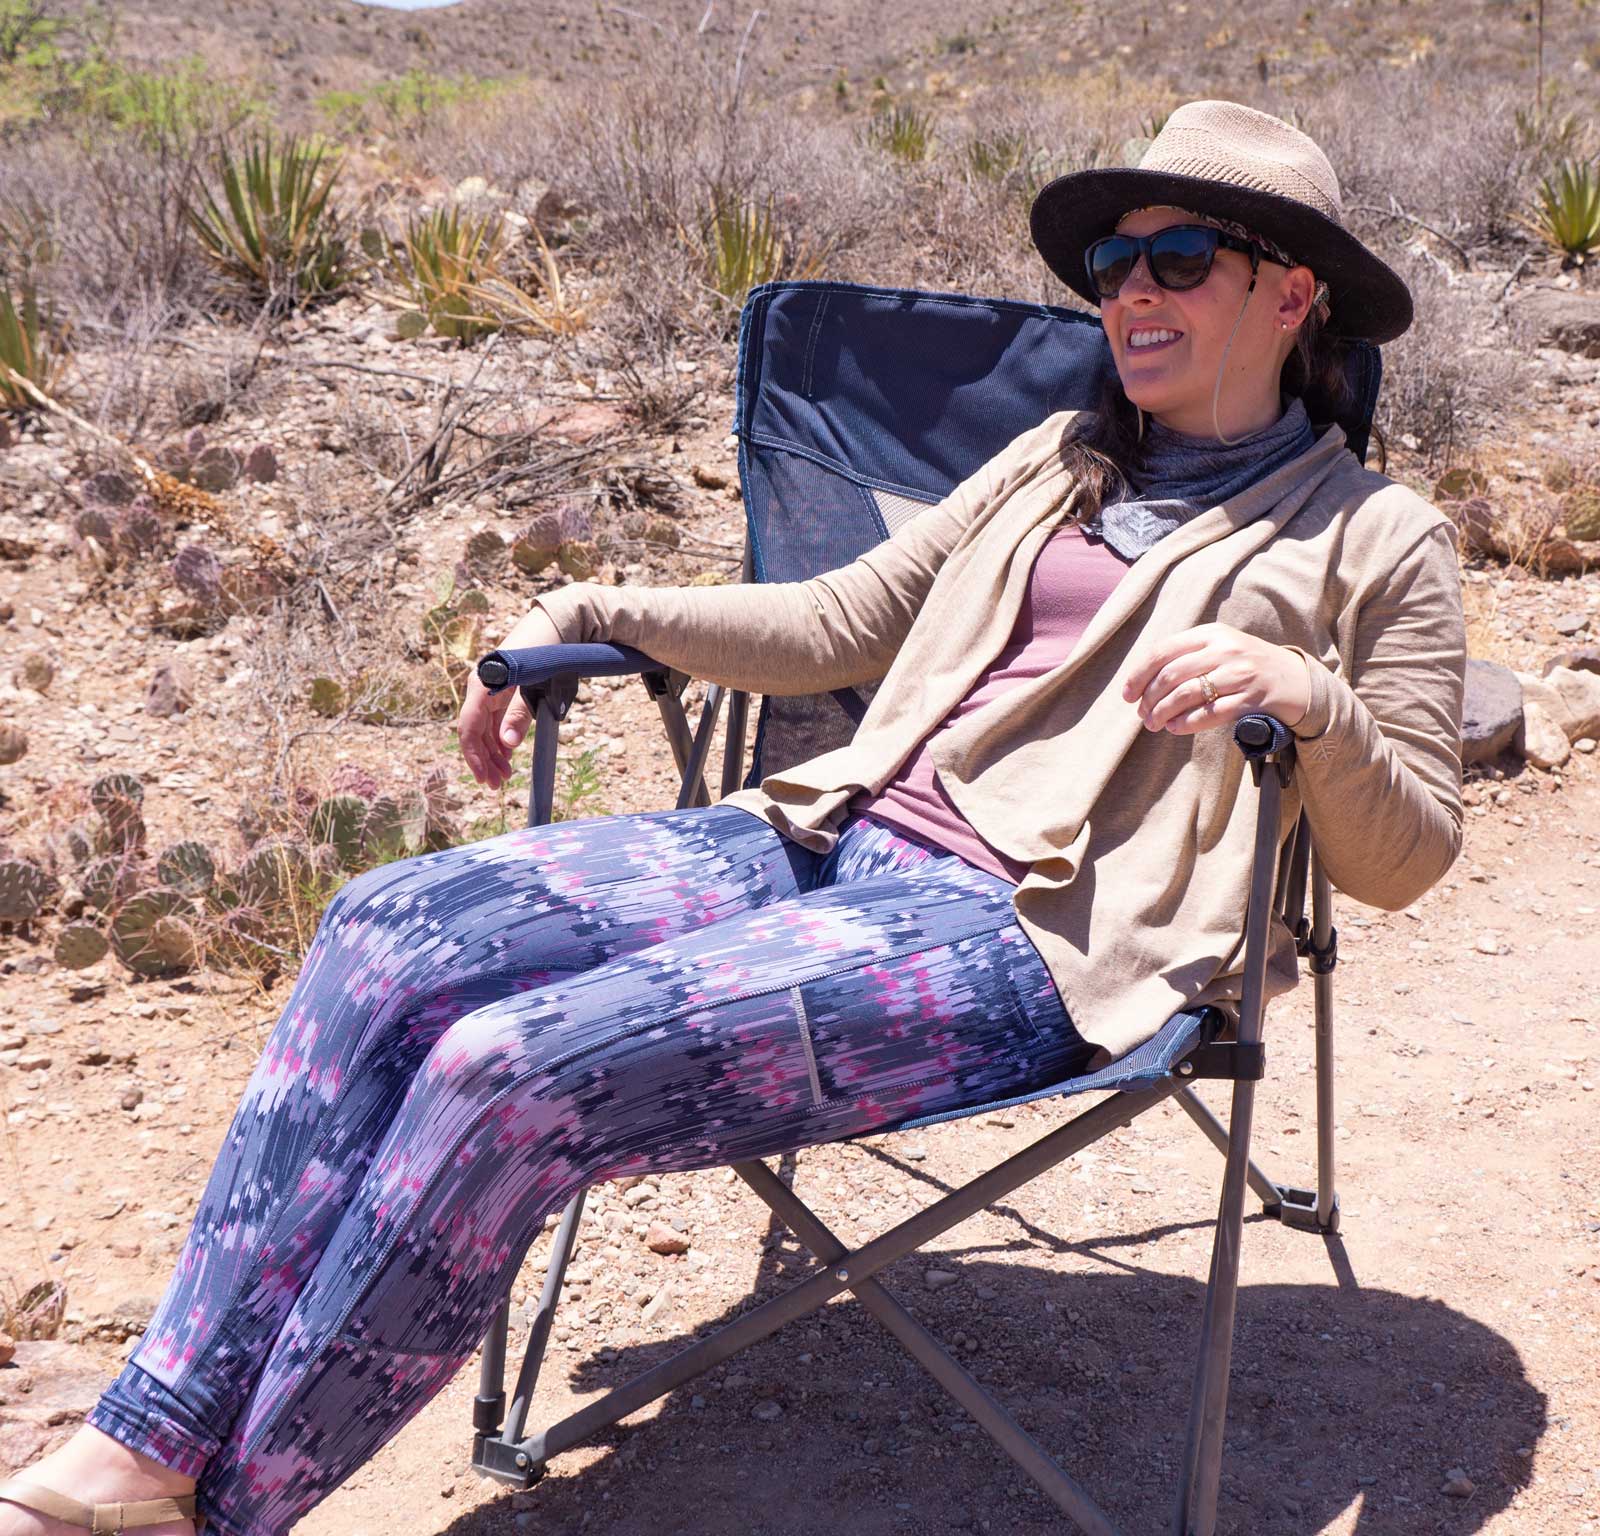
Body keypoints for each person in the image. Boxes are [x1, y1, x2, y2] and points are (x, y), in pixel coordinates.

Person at [0, 99, 1464, 1536]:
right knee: (383, 928)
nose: (1132, 292)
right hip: (830, 832)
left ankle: (226, 1509)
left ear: (1290, 292)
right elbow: (841, 619)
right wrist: (597, 601)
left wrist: (1313, 701)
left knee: (516, 1067)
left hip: (1031, 931)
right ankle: (152, 1438)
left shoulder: (1375, 537)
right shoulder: (1056, 463)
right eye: (1113, 267)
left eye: (1181, 257)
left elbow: (1410, 859)